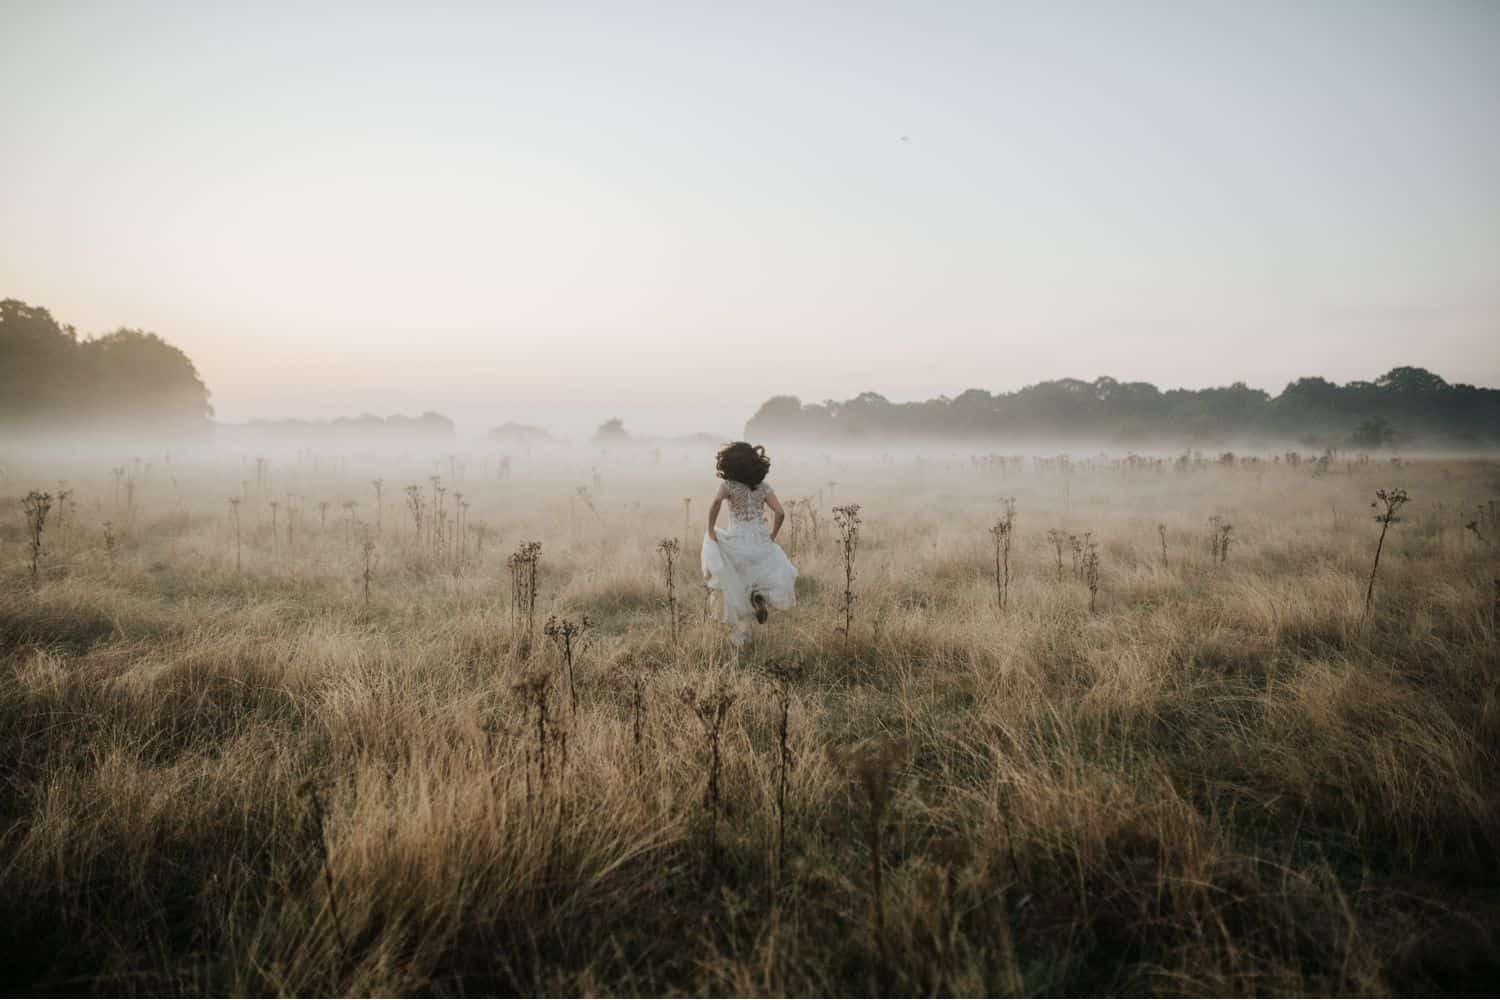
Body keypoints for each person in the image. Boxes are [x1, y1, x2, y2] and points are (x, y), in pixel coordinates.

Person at [701, 441, 797, 647]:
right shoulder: (764, 488)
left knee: (735, 585)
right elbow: (780, 513)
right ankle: (758, 598)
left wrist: (710, 529)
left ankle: (741, 639)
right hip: (759, 540)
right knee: (756, 580)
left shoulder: (728, 486)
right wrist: (772, 536)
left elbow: (716, 503)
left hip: (736, 540)